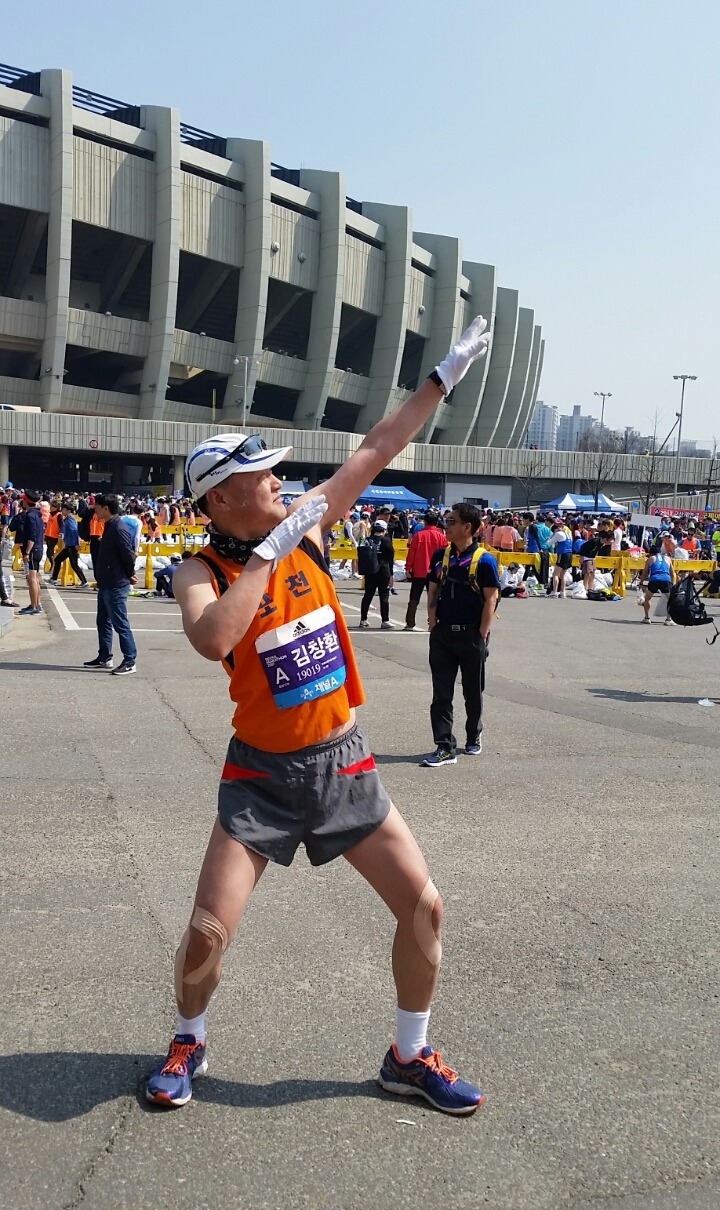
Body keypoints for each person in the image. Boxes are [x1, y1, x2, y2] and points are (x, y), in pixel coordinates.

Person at [144, 314, 491, 1116]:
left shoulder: (306, 523)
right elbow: (213, 638)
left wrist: (443, 378)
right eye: (261, 475)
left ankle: (409, 1055)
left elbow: (377, 447)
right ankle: (188, 1039)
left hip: (343, 762)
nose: (279, 481)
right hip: (260, 776)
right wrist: (266, 559)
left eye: (276, 472)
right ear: (220, 497)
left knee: (425, 907)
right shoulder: (199, 569)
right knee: (207, 933)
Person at [421, 503, 499, 767]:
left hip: (471, 636)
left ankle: (473, 734)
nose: (447, 525)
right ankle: (444, 746)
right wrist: (433, 622)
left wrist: (482, 634)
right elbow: (432, 590)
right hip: (443, 635)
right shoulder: (440, 556)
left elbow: (491, 600)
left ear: (468, 527)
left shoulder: (484, 561)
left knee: (472, 691)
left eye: (452, 521)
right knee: (441, 694)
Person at [83, 494, 138, 673]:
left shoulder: (118, 528)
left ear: (106, 508)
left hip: (115, 583)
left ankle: (130, 661)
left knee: (120, 623)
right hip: (106, 582)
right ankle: (105, 656)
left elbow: (128, 554)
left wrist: (130, 574)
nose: (95, 511)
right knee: (103, 621)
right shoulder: (108, 525)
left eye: (97, 508)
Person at [403, 510, 447, 630]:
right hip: (436, 572)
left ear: (425, 522)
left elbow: (411, 553)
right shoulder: (441, 537)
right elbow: (445, 555)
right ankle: (432, 623)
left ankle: (410, 622)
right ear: (437, 523)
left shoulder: (418, 535)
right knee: (434, 599)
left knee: (414, 598)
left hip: (419, 570)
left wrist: (408, 568)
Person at [358, 519, 395, 629]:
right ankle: (385, 620)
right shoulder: (386, 540)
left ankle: (363, 619)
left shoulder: (368, 540)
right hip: (383, 571)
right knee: (384, 596)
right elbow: (390, 558)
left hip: (370, 571)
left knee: (368, 595)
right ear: (384, 530)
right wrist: (391, 574)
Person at [17, 491, 45, 615]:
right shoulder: (38, 515)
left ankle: (34, 607)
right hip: (38, 549)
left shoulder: (30, 516)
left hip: (33, 550)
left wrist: (27, 552)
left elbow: (32, 536)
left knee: (31, 578)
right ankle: (36, 603)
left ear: (26, 501)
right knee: (35, 578)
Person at [49, 504, 89, 587]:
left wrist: (76, 544)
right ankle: (54, 579)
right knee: (61, 561)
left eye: (64, 509)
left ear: (69, 511)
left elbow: (74, 531)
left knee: (72, 564)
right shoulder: (68, 519)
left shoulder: (70, 519)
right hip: (69, 545)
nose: (62, 511)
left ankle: (84, 582)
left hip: (72, 546)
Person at [640, 546, 676, 624]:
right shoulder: (668, 558)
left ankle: (647, 618)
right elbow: (673, 573)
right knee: (670, 600)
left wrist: (641, 583)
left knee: (647, 598)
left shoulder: (650, 559)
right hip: (666, 579)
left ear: (651, 553)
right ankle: (669, 619)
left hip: (654, 579)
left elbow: (645, 573)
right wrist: (673, 584)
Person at [548, 521, 573, 597]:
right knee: (563, 575)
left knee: (555, 574)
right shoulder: (568, 533)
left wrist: (549, 539)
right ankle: (563, 592)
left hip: (562, 554)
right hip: (569, 554)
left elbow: (549, 543)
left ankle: (555, 592)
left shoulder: (558, 534)